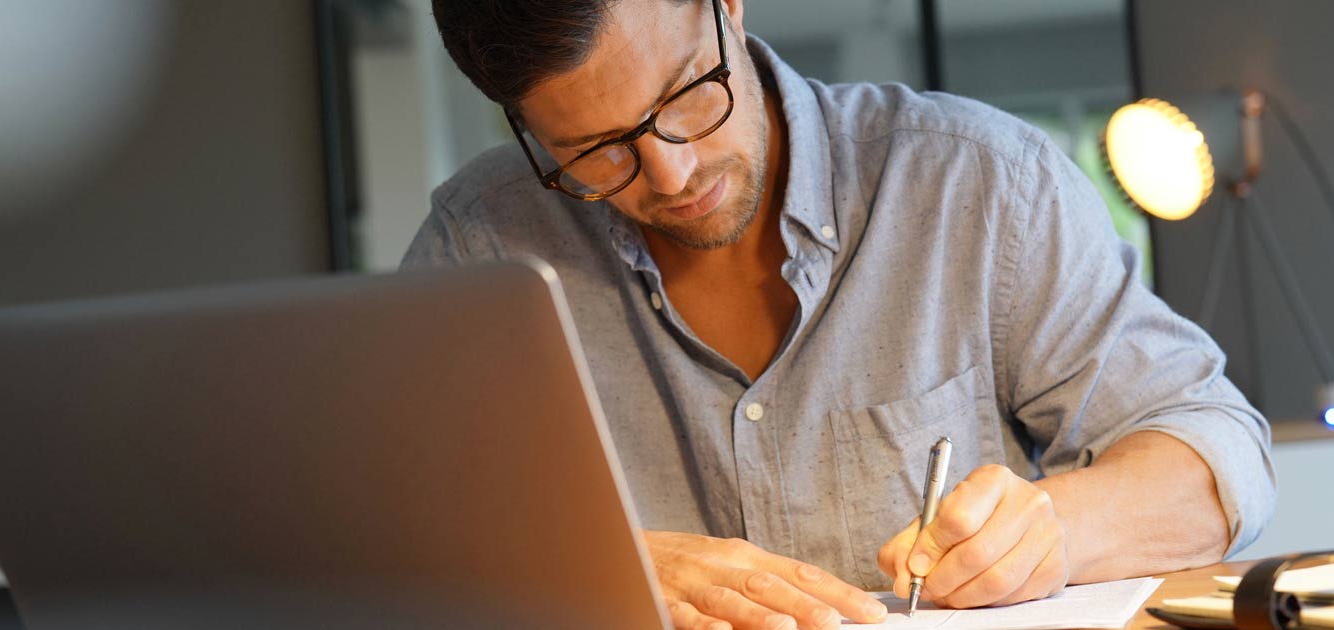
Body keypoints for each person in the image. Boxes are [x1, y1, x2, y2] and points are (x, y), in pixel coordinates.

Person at [406, 1, 1275, 628]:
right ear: (525, 129)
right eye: (595, 152)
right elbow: (383, 547)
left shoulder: (977, 182)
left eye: (684, 95)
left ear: (728, 9)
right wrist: (601, 569)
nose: (670, 175)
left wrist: (1059, 528)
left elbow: (1216, 449)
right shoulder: (483, 244)